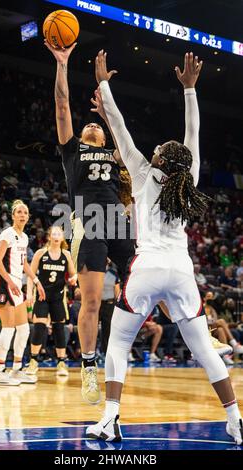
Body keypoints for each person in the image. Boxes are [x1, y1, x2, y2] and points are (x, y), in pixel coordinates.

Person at [85, 51, 243, 445]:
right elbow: (194, 134)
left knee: (118, 342)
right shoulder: (187, 179)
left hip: (147, 268)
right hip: (182, 271)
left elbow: (119, 127)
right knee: (205, 349)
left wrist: (105, 85)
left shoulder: (140, 172)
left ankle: (109, 419)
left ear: (158, 159)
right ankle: (236, 419)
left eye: (157, 148)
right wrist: (190, 90)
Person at [45, 40, 135, 404]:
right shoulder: (72, 150)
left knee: (154, 270)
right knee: (92, 302)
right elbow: (63, 105)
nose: (93, 127)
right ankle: (87, 365)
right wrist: (63, 63)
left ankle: (197, 330)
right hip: (88, 222)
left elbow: (124, 138)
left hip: (117, 218)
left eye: (98, 126)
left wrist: (108, 110)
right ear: (81, 138)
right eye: (90, 126)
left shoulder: (115, 154)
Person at [0, 200, 46, 386]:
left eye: (25, 212)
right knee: (8, 328)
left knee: (24, 329)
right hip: (5, 283)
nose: (22, 215)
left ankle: (16, 370)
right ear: (13, 215)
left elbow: (24, 264)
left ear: (28, 217)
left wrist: (37, 282)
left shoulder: (24, 238)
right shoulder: (7, 234)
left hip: (15, 283)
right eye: (19, 212)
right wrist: (10, 282)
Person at [25, 225, 77, 377]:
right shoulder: (40, 253)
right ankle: (33, 361)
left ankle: (61, 362)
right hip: (42, 296)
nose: (55, 236)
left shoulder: (66, 255)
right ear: (49, 237)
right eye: (53, 233)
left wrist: (74, 279)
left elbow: (74, 276)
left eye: (58, 233)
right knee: (39, 326)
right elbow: (30, 275)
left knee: (59, 328)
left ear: (62, 238)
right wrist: (29, 294)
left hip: (58, 297)